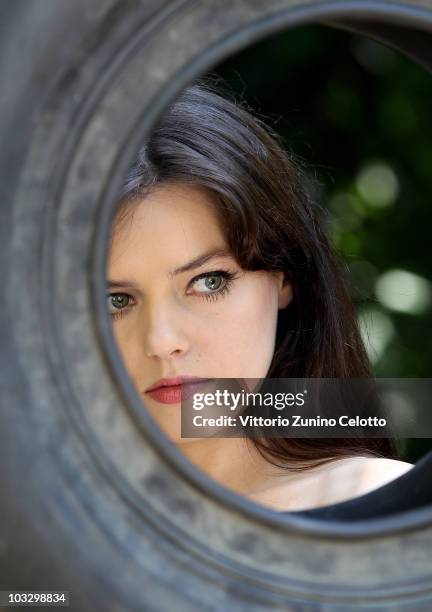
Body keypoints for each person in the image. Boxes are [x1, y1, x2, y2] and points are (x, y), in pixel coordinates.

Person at [106, 77, 413, 512]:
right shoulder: (37, 518)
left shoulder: (382, 506)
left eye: (209, 281)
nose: (161, 340)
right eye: (116, 301)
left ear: (285, 277)